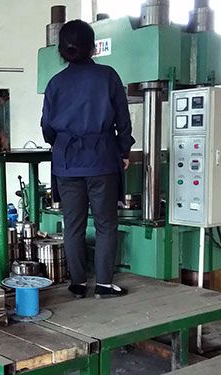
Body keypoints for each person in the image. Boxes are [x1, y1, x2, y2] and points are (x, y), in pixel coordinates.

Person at [40, 20, 135, 299]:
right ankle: (104, 284)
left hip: (67, 163)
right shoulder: (108, 76)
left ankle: (78, 284)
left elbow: (47, 127)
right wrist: (124, 150)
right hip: (102, 159)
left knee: (73, 225)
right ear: (93, 47)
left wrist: (61, 145)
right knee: (105, 224)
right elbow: (123, 119)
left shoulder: (55, 83)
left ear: (61, 50)